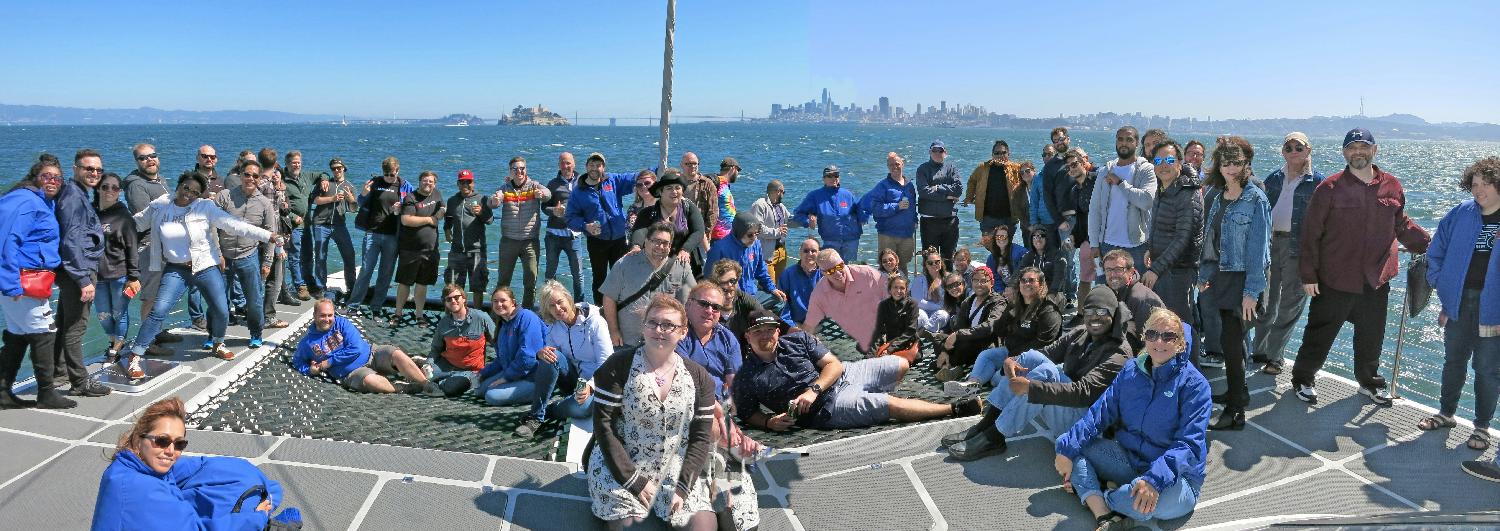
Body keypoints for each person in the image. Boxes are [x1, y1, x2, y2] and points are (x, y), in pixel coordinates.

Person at [1292, 128, 1431, 406]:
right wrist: (1308, 275)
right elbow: (1310, 235)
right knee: (1320, 334)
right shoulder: (1329, 188)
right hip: (1334, 278)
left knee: (1372, 337)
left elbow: (1400, 224)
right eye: (1352, 147)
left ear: (1374, 150)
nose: (1358, 152)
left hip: (1375, 280)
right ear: (1344, 152)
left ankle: (1369, 383)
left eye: (1364, 147)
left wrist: (1430, 244)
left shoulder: (1392, 185)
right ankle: (1303, 378)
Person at [1053, 308, 1211, 528]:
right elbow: (1099, 413)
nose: (1159, 341)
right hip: (1130, 460)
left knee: (1148, 505)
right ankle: (1106, 513)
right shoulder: (1130, 372)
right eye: (1152, 334)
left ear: (1181, 343)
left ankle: (1103, 496)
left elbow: (1188, 444)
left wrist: (1153, 481)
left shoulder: (1195, 386)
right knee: (1071, 445)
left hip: (1177, 478)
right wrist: (1066, 449)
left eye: (1169, 336)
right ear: (1144, 337)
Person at [942, 287, 1135, 462]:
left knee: (1048, 373)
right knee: (1032, 357)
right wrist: (1012, 361)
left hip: (1087, 423)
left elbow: (1082, 393)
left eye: (1102, 311)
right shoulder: (1081, 333)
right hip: (1068, 407)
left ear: (1113, 314)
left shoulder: (1118, 353)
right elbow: (1046, 353)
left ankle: (995, 437)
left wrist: (1030, 388)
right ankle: (986, 424)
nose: (1094, 317)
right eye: (1089, 311)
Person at [587, 295, 718, 530]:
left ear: (683, 332)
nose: (659, 330)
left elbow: (700, 438)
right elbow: (603, 426)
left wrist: (683, 487)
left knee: (702, 526)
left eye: (668, 325)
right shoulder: (617, 367)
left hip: (676, 465)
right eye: (652, 323)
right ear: (643, 326)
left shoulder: (699, 378)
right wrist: (633, 480)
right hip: (622, 464)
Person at [734, 309, 982, 431]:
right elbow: (747, 413)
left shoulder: (799, 340)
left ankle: (899, 368)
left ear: (778, 330)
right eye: (758, 332)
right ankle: (954, 409)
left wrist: (813, 389)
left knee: (901, 364)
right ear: (748, 336)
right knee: (888, 404)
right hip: (827, 407)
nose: (765, 335)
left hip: (843, 374)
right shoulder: (746, 376)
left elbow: (833, 364)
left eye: (769, 329)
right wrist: (768, 422)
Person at [126, 172, 272, 373]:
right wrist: (107, 226)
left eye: (195, 192)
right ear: (179, 185)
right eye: (186, 187)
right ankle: (135, 355)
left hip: (206, 267)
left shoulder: (205, 207)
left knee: (221, 310)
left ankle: (218, 342)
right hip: (176, 268)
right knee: (158, 310)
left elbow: (233, 224)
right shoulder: (161, 205)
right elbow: (135, 223)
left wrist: (267, 235)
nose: (189, 194)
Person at [90, 396, 293, 531]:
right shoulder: (141, 489)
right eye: (162, 440)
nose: (170, 450)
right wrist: (255, 518)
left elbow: (202, 466)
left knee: (242, 479)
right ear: (137, 439)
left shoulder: (132, 466)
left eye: (179, 444)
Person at [1419, 157, 1500, 452]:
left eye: (1486, 184)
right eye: (1474, 184)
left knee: (1487, 369)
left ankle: (1481, 428)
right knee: (1453, 361)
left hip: (1494, 310)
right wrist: (1442, 283)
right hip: (1459, 302)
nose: (1479, 190)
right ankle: (1446, 414)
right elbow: (1436, 251)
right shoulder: (1461, 213)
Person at [1197, 136, 1271, 430]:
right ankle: (1237, 392)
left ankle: (1236, 411)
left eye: (1236, 162)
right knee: (1233, 343)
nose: (1230, 168)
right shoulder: (1216, 195)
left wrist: (1252, 292)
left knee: (1231, 341)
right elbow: (1209, 242)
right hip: (1222, 277)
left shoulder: (1256, 199)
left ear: (1246, 164)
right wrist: (1204, 275)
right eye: (1225, 161)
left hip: (1244, 280)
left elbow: (1259, 250)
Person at [0, 155, 72, 409]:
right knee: (44, 332)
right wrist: (10, 284)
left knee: (18, 334)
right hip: (22, 280)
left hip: (29, 279)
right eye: (46, 176)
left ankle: (2, 391)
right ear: (35, 177)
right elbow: (6, 241)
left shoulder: (39, 200)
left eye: (57, 178)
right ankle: (46, 392)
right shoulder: (27, 202)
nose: (52, 181)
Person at [1251, 132, 1325, 375]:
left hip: (1298, 249)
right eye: (1289, 147)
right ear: (1283, 152)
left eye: (1299, 147)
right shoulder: (1274, 177)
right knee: (1266, 301)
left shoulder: (1318, 183)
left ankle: (1275, 356)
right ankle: (1259, 350)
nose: (1294, 151)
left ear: (1308, 150)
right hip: (1270, 244)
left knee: (1290, 304)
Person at [944, 267, 1064, 398]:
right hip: (1010, 352)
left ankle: (991, 378)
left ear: (1040, 284)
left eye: (1031, 281)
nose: (1027, 284)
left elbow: (1042, 344)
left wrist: (1013, 358)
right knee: (986, 355)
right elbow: (999, 329)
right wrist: (1010, 309)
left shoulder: (1048, 311)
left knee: (996, 380)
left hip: (1033, 360)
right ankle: (971, 385)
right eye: (1023, 281)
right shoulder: (1017, 305)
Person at [54, 149, 111, 398]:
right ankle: (80, 381)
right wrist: (83, 279)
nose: (94, 173)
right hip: (79, 270)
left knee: (64, 324)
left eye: (98, 169)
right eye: (89, 169)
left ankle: (58, 372)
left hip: (73, 270)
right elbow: (71, 241)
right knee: (76, 328)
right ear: (76, 168)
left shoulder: (75, 193)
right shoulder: (73, 197)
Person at [293, 300, 438, 394]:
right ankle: (403, 387)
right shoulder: (307, 343)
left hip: (371, 354)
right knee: (370, 381)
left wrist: (328, 362)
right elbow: (298, 362)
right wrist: (310, 370)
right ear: (314, 315)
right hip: (351, 372)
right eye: (322, 316)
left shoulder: (341, 323)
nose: (327, 319)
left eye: (330, 315)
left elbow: (355, 348)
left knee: (396, 354)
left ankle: (425, 384)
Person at [123, 144, 183, 348]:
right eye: (143, 158)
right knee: (150, 297)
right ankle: (146, 342)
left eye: (153, 156)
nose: (150, 160)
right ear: (137, 162)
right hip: (149, 246)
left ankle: (156, 331)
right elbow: (146, 217)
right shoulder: (136, 185)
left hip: (166, 244)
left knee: (162, 294)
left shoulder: (160, 181)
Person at [212, 161, 277, 351]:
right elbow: (211, 225)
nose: (250, 179)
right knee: (217, 299)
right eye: (247, 174)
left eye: (255, 176)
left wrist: (267, 261)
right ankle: (213, 335)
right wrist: (217, 253)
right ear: (240, 175)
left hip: (248, 257)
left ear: (259, 179)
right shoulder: (225, 196)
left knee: (254, 300)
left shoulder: (265, 204)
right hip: (223, 256)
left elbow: (271, 233)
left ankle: (256, 333)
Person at [601, 222, 695, 348]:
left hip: (663, 343)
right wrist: (613, 331)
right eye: (656, 241)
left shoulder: (681, 268)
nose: (660, 246)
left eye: (665, 243)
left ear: (670, 245)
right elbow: (609, 298)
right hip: (628, 341)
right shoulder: (624, 264)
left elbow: (692, 302)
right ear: (646, 241)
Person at [479, 286, 556, 436]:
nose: (499, 304)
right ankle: (511, 385)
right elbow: (501, 359)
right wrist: (482, 373)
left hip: (533, 376)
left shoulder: (526, 317)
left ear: (513, 302)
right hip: (516, 372)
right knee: (480, 389)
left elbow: (527, 358)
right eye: (495, 301)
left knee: (491, 396)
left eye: (503, 301)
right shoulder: (504, 324)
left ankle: (542, 394)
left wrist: (505, 378)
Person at [1142, 139, 1204, 327]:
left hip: (1180, 270)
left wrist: (1156, 269)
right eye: (1158, 162)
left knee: (1180, 323)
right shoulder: (1164, 188)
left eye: (1169, 161)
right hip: (1164, 266)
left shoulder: (1188, 193)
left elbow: (1182, 238)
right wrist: (1150, 249)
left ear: (1179, 163)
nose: (1163, 166)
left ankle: (1190, 357)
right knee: (1163, 322)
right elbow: (1159, 226)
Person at [566, 152, 639, 304]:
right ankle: (601, 310)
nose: (594, 168)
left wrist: (660, 171)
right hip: (597, 241)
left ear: (603, 167)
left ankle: (622, 307)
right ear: (586, 167)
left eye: (598, 165)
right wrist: (585, 226)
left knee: (622, 275)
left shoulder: (612, 181)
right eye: (591, 165)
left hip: (619, 239)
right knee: (599, 278)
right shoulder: (578, 192)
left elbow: (637, 177)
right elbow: (570, 218)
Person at [537, 279, 613, 422]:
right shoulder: (554, 327)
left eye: (560, 302)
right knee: (549, 354)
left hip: (593, 381)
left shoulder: (595, 322)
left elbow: (606, 362)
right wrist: (540, 354)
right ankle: (536, 415)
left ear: (569, 298)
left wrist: (590, 386)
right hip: (573, 379)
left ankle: (551, 410)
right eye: (552, 306)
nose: (558, 308)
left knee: (582, 409)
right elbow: (554, 360)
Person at [1088, 126, 1158, 276]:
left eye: (1129, 139)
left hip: (1137, 246)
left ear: (1137, 143)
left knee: (1137, 295)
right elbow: (1095, 209)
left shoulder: (1146, 169)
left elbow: (1146, 201)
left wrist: (1120, 183)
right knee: (1105, 295)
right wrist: (1094, 244)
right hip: (1106, 245)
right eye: (1120, 139)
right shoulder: (1105, 171)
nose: (1124, 143)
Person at [347, 156, 411, 313]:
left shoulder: (405, 186)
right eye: (387, 174)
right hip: (372, 233)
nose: (389, 177)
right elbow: (360, 203)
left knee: (386, 272)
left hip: (392, 236)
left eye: (392, 174)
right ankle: (353, 305)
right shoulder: (375, 183)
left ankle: (376, 307)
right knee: (366, 270)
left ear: (398, 171)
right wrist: (363, 193)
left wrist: (401, 207)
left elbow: (412, 207)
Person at [92, 172, 140, 365]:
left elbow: (132, 248)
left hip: (119, 275)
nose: (109, 191)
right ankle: (113, 341)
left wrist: (133, 276)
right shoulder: (90, 212)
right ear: (98, 188)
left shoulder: (124, 216)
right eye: (105, 187)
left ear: (120, 192)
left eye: (114, 187)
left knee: (119, 313)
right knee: (103, 315)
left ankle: (116, 348)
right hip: (96, 276)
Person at [492, 156, 552, 308]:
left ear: (526, 170)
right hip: (508, 241)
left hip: (530, 242)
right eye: (515, 169)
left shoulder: (534, 186)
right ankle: (499, 316)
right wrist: (495, 200)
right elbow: (492, 202)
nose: (519, 171)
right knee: (503, 282)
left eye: (522, 168)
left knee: (530, 282)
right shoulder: (504, 188)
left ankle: (527, 315)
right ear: (510, 172)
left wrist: (542, 195)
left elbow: (548, 194)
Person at [801, 249, 887, 353]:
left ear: (843, 262)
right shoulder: (819, 294)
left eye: (839, 267)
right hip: (845, 337)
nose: (837, 273)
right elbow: (809, 325)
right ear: (823, 273)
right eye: (831, 271)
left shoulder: (868, 274)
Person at [392, 170, 446, 324]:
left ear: (434, 183)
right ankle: (398, 313)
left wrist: (441, 213)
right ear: (420, 181)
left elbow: (443, 208)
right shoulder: (411, 197)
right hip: (410, 248)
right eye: (424, 180)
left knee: (422, 284)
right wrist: (430, 220)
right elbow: (407, 220)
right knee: (405, 282)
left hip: (430, 249)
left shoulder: (437, 194)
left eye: (430, 181)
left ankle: (419, 315)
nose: (427, 183)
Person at [427, 284, 497, 398]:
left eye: (456, 297)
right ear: (445, 303)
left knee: (452, 388)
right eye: (448, 299)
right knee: (420, 375)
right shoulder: (443, 323)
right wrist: (428, 364)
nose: (453, 301)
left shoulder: (481, 317)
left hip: (471, 371)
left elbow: (498, 344)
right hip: (446, 365)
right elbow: (435, 349)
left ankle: (437, 383)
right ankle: (431, 378)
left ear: (464, 298)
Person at [934, 266, 1005, 377]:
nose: (979, 284)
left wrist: (958, 335)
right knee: (939, 338)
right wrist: (945, 350)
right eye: (975, 280)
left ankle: (949, 366)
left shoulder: (998, 302)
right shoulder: (968, 301)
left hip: (985, 342)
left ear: (991, 283)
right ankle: (948, 365)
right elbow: (959, 327)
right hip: (968, 339)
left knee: (961, 343)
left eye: (983, 281)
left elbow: (989, 327)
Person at [630, 169, 705, 274]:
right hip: (656, 264)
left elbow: (699, 231)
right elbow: (640, 231)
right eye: (669, 188)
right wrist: (636, 246)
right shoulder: (647, 213)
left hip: (686, 263)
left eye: (677, 188)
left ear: (682, 191)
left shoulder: (689, 208)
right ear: (660, 192)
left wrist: (685, 249)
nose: (674, 191)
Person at [676, 282, 742, 401]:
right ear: (688, 305)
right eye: (703, 304)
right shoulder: (677, 333)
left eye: (716, 307)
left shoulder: (728, 338)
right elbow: (685, 378)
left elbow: (734, 383)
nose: (709, 311)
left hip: (720, 404)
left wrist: (729, 409)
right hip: (686, 401)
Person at [307, 157, 359, 300]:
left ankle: (351, 287)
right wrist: (332, 199)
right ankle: (320, 287)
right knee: (320, 256)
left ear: (344, 169)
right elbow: (314, 200)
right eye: (334, 168)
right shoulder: (324, 183)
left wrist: (351, 199)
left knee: (349, 255)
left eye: (339, 168)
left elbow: (354, 209)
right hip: (320, 223)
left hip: (339, 225)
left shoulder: (350, 186)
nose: (336, 170)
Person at [791, 165, 865, 262]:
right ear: (823, 179)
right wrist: (808, 221)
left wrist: (864, 216)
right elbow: (798, 213)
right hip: (830, 242)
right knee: (831, 271)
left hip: (851, 241)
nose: (833, 178)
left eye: (836, 175)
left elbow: (862, 209)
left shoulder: (848, 194)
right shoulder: (815, 196)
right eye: (829, 176)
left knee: (850, 271)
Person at [705, 213, 785, 300]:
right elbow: (710, 278)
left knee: (780, 300)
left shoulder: (756, 244)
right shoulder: (719, 249)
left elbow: (761, 270)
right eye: (750, 235)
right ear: (739, 232)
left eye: (756, 233)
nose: (754, 238)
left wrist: (772, 288)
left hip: (752, 293)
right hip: (730, 298)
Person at [443, 169, 493, 305]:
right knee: (453, 287)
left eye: (468, 182)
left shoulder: (482, 199)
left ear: (473, 183)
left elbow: (490, 220)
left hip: (477, 250)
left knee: (478, 286)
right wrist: (447, 229)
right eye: (462, 182)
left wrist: (482, 213)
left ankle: (476, 315)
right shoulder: (453, 200)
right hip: (457, 250)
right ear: (458, 184)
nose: (465, 185)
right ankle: (453, 317)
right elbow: (448, 218)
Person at [864, 152, 919, 274]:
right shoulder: (882, 186)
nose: (894, 167)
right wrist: (896, 206)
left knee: (903, 267)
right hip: (888, 234)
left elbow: (913, 207)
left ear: (902, 164)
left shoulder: (910, 186)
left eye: (897, 164)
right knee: (886, 268)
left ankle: (902, 292)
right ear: (887, 167)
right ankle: (885, 292)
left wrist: (915, 220)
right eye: (891, 165)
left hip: (907, 234)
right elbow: (876, 208)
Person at [1095, 249, 1164, 340]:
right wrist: (1122, 326)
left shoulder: (1142, 300)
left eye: (1118, 269)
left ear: (1131, 271)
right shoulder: (1106, 293)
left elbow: (1147, 341)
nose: (1112, 274)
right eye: (1108, 270)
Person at [544, 152, 587, 298]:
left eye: (568, 163)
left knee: (578, 274)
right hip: (553, 236)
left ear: (574, 164)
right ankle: (549, 304)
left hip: (574, 235)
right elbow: (544, 208)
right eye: (562, 163)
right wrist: (554, 211)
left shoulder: (582, 182)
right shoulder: (552, 184)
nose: (565, 166)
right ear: (559, 165)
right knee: (550, 274)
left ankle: (579, 306)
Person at [966, 139, 1029, 236]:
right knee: (990, 246)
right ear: (992, 155)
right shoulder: (983, 168)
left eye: (1003, 152)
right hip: (988, 218)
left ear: (1008, 154)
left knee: (1006, 248)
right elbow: (972, 181)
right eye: (997, 153)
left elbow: (1029, 177)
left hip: (1009, 218)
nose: (1000, 155)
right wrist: (969, 197)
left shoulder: (1016, 169)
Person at [916, 140, 963, 265]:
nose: (937, 153)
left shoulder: (951, 168)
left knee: (948, 259)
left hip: (950, 221)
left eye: (940, 150)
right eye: (934, 150)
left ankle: (947, 284)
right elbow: (924, 192)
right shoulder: (922, 169)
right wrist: (947, 197)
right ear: (929, 152)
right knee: (930, 260)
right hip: (929, 222)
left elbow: (958, 189)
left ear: (945, 153)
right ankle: (930, 284)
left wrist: (938, 188)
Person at [281, 151, 319, 301]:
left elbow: (322, 174)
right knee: (294, 256)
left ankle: (309, 281)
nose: (296, 165)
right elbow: (278, 204)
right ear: (287, 164)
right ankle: (299, 286)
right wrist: (292, 216)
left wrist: (323, 179)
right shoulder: (282, 180)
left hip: (306, 225)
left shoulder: (305, 176)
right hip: (293, 226)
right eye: (293, 163)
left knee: (309, 255)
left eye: (298, 162)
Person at [1062, 148, 1098, 303]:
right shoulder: (1074, 191)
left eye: (1075, 164)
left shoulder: (1098, 180)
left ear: (1084, 162)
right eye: (1068, 167)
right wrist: (1072, 238)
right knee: (1085, 278)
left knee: (1107, 278)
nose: (1072, 168)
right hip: (1087, 240)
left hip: (1106, 240)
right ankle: (1081, 315)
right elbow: (1080, 219)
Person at [707, 258, 766, 341]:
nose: (729, 286)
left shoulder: (743, 299)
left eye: (732, 281)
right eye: (723, 283)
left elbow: (764, 317)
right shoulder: (707, 307)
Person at [747, 179, 792, 280]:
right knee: (769, 288)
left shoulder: (780, 206)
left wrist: (806, 220)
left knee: (780, 286)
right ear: (778, 191)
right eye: (783, 192)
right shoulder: (759, 205)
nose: (784, 195)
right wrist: (777, 232)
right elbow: (757, 229)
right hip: (767, 254)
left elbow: (790, 220)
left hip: (781, 251)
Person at [870, 275, 921, 363]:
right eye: (895, 287)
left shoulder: (912, 304)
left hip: (908, 342)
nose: (898, 291)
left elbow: (910, 331)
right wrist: (872, 354)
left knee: (914, 358)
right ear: (890, 289)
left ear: (906, 290)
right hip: (891, 342)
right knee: (870, 355)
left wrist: (890, 349)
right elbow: (878, 331)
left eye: (902, 288)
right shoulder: (883, 305)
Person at [776, 238, 822, 326]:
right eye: (806, 251)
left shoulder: (825, 274)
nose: (810, 254)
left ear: (819, 253)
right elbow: (782, 305)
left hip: (821, 323)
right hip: (795, 323)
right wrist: (792, 326)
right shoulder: (787, 274)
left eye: (813, 251)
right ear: (800, 252)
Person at [1019, 225, 1070, 297]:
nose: (1038, 239)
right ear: (1031, 240)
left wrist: (1052, 293)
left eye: (1042, 236)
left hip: (1053, 293)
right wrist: (1011, 287)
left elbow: (1059, 276)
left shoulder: (1058, 255)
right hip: (1034, 291)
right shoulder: (1029, 256)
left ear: (1047, 239)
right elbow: (1018, 272)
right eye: (1035, 236)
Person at [910, 247, 950, 332]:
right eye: (930, 263)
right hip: (924, 311)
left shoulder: (948, 278)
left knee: (942, 315)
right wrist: (939, 307)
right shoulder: (919, 280)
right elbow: (918, 301)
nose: (934, 264)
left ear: (941, 263)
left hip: (940, 313)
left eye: (937, 262)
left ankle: (924, 334)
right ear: (925, 265)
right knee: (920, 315)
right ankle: (924, 335)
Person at [681, 152, 720, 241]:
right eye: (688, 164)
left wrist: (705, 232)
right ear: (682, 165)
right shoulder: (676, 182)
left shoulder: (707, 184)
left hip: (700, 234)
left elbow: (713, 211)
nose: (692, 166)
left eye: (695, 163)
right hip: (679, 232)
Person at [984, 224, 1026, 291]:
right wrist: (1002, 292)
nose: (1000, 239)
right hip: (1005, 291)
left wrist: (1014, 290)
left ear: (1009, 238)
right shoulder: (991, 259)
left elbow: (1024, 275)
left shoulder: (1020, 253)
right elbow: (995, 279)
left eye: (1003, 236)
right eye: (997, 237)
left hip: (1021, 288)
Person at [712, 157, 740, 243]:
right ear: (733, 169)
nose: (738, 174)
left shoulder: (725, 185)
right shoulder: (719, 183)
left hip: (727, 235)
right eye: (738, 170)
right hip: (719, 236)